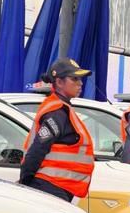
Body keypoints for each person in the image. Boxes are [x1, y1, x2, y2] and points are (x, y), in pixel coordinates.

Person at [21, 58, 95, 201]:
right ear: (59, 82)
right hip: (50, 187)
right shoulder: (56, 112)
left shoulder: (63, 108)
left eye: (80, 79)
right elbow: (38, 149)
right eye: (74, 79)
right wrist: (25, 181)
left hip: (57, 186)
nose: (80, 83)